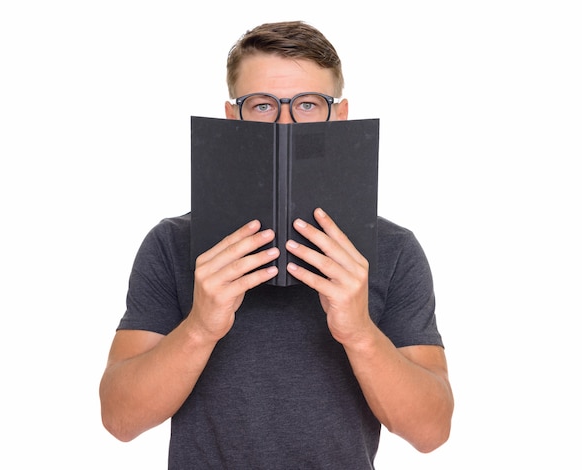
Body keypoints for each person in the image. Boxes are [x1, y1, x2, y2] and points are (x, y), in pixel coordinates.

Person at [99, 20, 454, 468]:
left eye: (308, 104)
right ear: (233, 118)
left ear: (339, 117)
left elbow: (432, 431)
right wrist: (200, 326)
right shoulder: (172, 243)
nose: (285, 122)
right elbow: (119, 418)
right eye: (262, 105)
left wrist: (359, 332)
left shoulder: (394, 250)